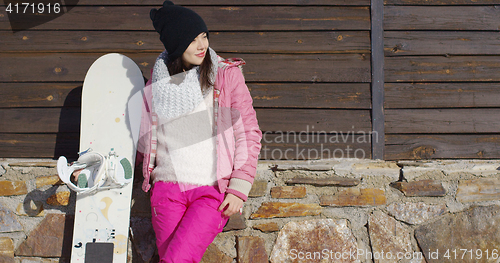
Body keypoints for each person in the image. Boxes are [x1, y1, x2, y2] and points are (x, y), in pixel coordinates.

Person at [136, 1, 262, 262]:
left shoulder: (226, 76)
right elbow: (143, 137)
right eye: (192, 40)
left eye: (204, 36)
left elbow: (248, 132)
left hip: (211, 189)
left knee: (176, 260)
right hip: (167, 189)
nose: (202, 45)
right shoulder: (157, 81)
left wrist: (239, 186)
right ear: (175, 45)